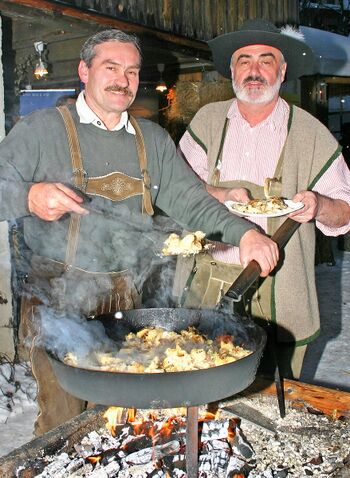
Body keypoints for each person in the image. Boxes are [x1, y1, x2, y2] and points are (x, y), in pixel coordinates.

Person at [0, 29, 279, 435]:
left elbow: (193, 201)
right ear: (84, 70)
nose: (122, 80)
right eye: (110, 67)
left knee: (125, 419)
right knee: (64, 421)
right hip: (58, 298)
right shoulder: (41, 131)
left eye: (132, 71)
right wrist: (28, 196)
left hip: (126, 299)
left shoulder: (152, 140)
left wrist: (244, 234)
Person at [177, 19, 350, 380]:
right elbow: (176, 191)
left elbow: (345, 212)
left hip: (282, 296)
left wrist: (319, 204)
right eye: (244, 60)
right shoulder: (207, 122)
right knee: (201, 388)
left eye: (265, 60)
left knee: (274, 400)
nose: (254, 71)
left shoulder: (311, 134)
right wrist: (220, 193)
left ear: (282, 69)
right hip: (207, 286)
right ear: (232, 69)